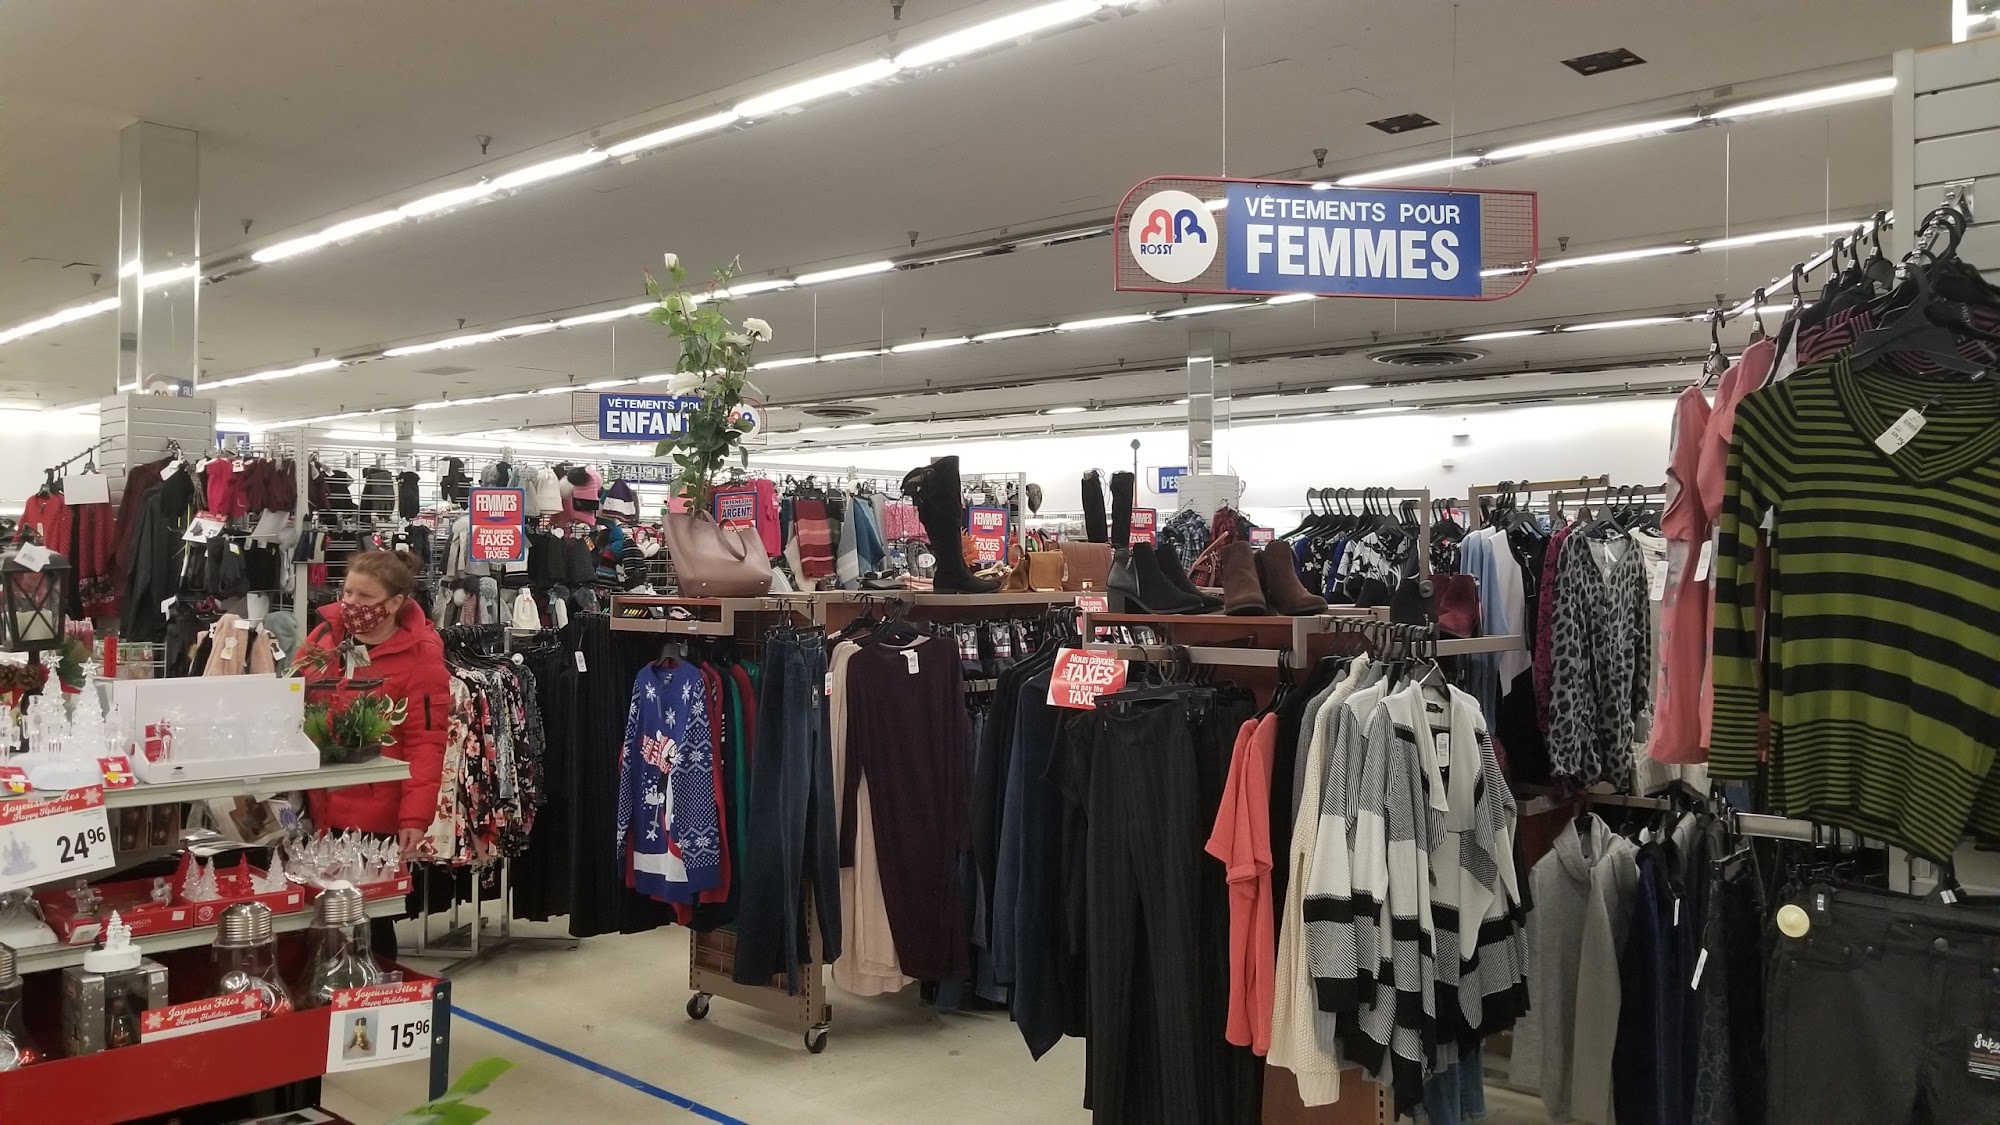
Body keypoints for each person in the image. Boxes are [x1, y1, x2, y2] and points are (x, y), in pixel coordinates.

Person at [299, 549, 448, 951]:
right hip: (318, 806)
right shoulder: (323, 637)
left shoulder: (422, 656)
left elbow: (426, 742)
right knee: (320, 921)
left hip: (375, 816)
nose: (351, 604)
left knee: (370, 923)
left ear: (395, 603)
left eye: (365, 596)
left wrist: (415, 817)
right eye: (347, 592)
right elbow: (292, 697)